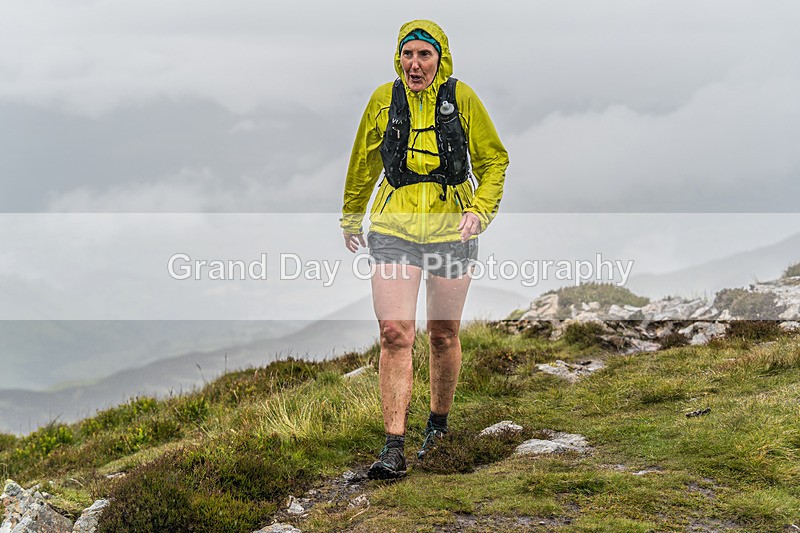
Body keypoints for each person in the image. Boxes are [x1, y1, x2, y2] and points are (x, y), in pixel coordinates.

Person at [340, 19, 508, 479]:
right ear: (398, 57)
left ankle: (437, 427)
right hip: (393, 227)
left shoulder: (463, 98)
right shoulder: (383, 100)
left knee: (442, 335)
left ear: (440, 58)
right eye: (407, 54)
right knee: (395, 332)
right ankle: (393, 446)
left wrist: (478, 211)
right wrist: (351, 216)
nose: (415, 64)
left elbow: (495, 161)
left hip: (452, 230)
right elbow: (363, 160)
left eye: (424, 55)